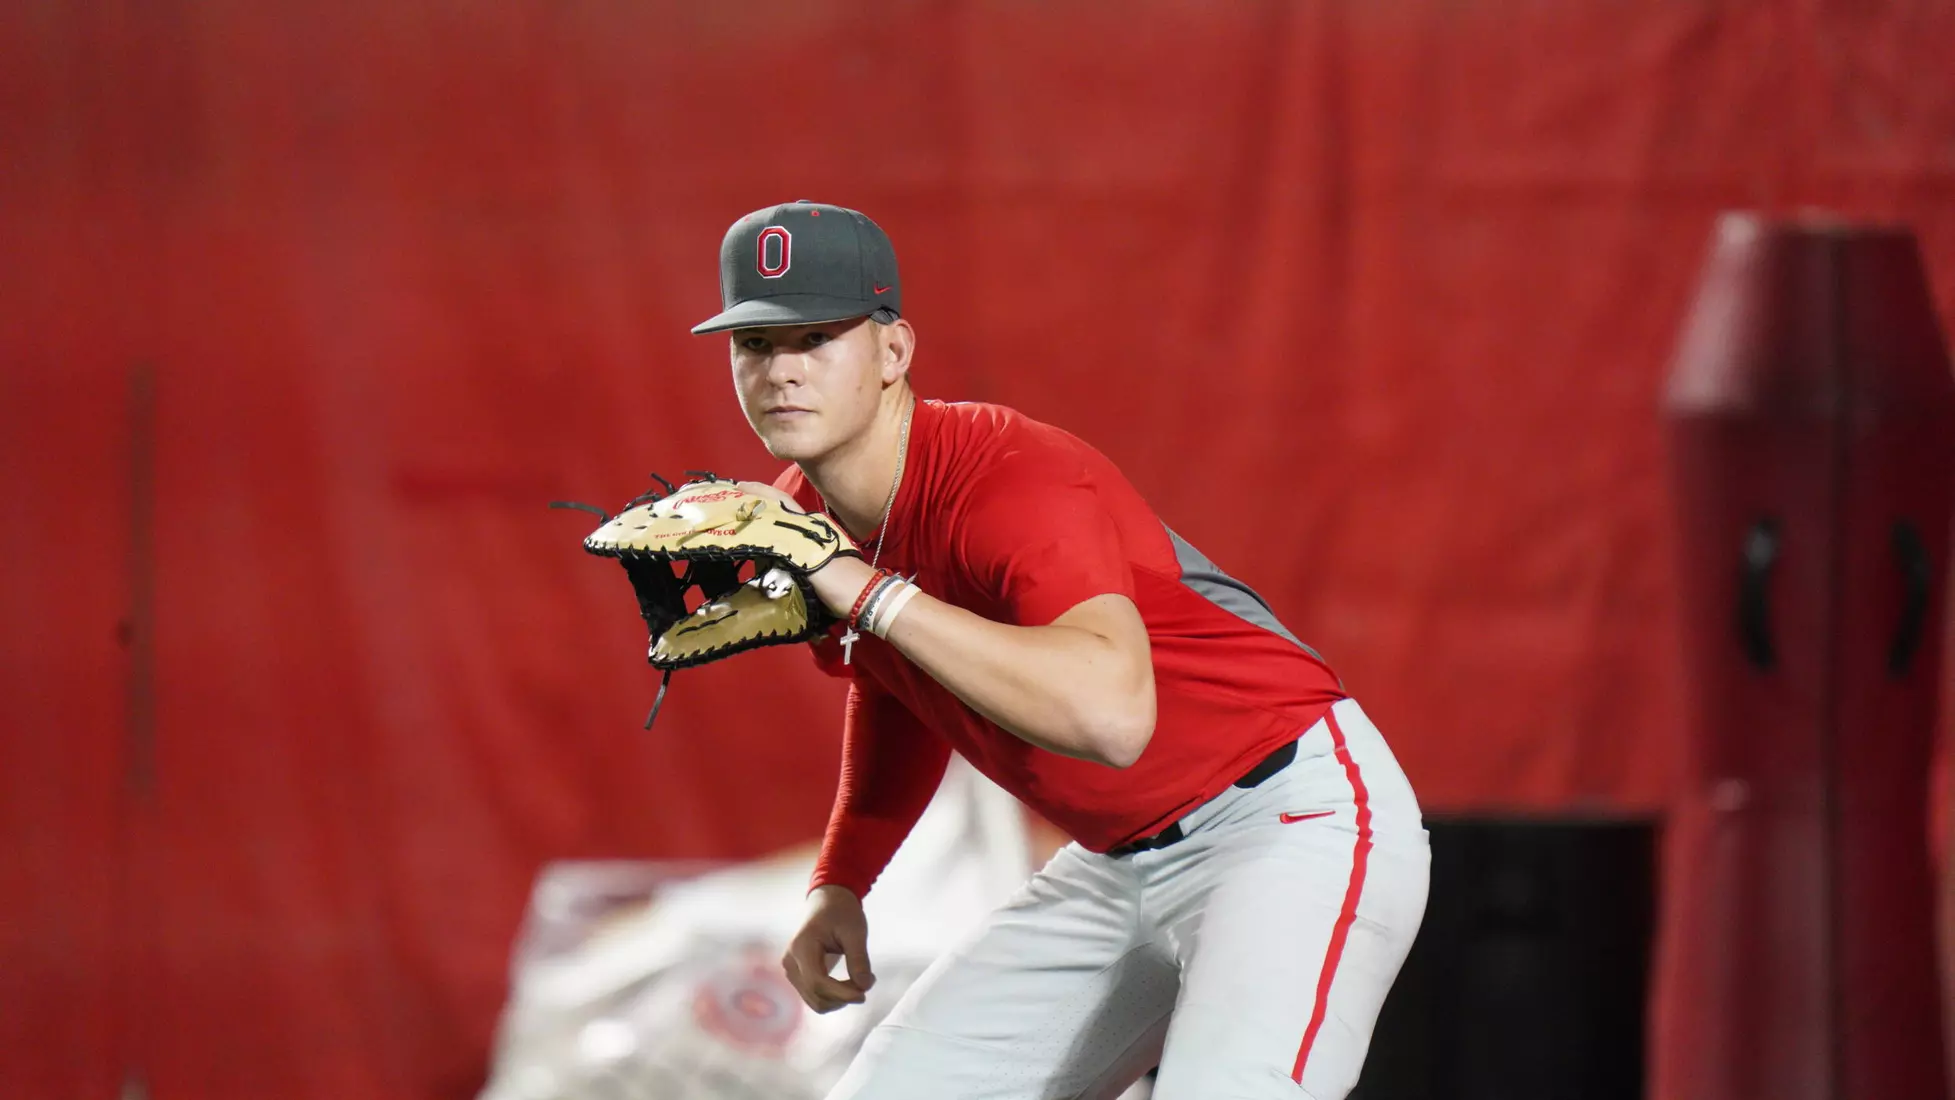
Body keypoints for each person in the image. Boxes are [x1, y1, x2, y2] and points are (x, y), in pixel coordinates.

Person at [689, 200, 1430, 1100]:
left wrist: (870, 593)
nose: (781, 371)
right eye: (756, 344)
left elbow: (1112, 720)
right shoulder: (802, 516)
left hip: (1284, 822)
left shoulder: (1008, 473)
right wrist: (842, 878)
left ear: (892, 352)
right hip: (1112, 867)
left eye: (814, 337)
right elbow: (900, 687)